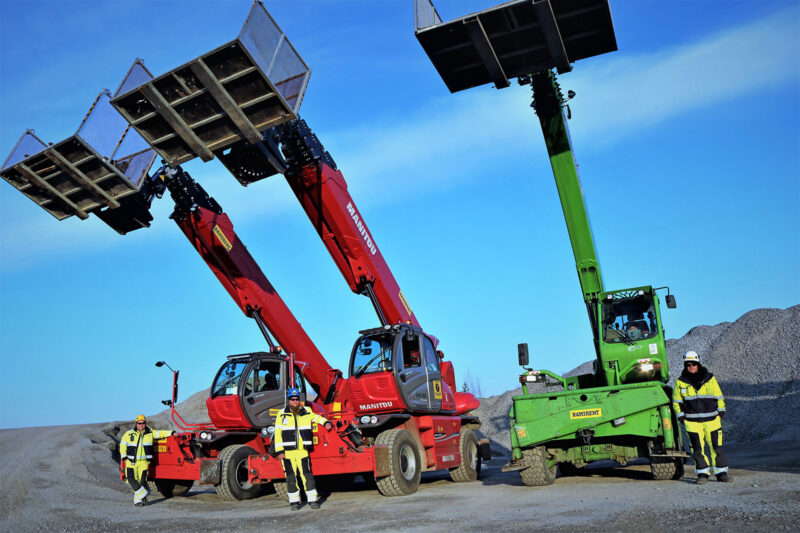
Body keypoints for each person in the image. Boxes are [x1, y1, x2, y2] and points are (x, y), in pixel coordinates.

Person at [672, 351, 730, 484]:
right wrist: (681, 417)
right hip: (692, 423)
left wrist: (721, 413)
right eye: (688, 364)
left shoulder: (710, 378)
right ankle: (703, 474)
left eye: (693, 364)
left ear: (698, 364)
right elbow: (676, 402)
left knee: (716, 447)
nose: (691, 366)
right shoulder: (680, 382)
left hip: (712, 421)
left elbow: (719, 396)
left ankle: (721, 473)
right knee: (697, 449)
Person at [274, 388, 333, 510]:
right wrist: (280, 451)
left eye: (296, 399)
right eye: (292, 399)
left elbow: (316, 418)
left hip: (302, 451)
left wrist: (326, 422)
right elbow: (278, 433)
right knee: (291, 477)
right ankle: (294, 502)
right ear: (289, 400)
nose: (295, 401)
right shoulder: (281, 414)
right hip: (288, 453)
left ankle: (312, 500)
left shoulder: (306, 410)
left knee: (307, 475)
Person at [119, 415, 174, 506]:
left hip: (144, 462)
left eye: (143, 423)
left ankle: (138, 501)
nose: (141, 425)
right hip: (130, 461)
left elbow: (160, 433)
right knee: (131, 479)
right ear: (136, 424)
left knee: (141, 481)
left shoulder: (150, 433)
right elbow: (123, 445)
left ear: (145, 423)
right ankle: (144, 493)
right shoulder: (129, 433)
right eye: (139, 423)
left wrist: (172, 432)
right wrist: (124, 457)